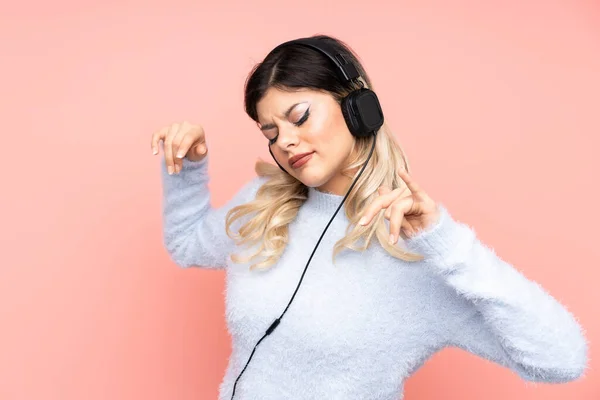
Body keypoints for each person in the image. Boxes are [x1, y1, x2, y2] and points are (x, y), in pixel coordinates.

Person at [151, 35, 588, 400]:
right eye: (271, 132)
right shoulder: (266, 202)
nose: (286, 141)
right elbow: (187, 245)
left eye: (299, 117)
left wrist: (447, 242)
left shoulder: (418, 248)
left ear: (358, 106)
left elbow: (561, 361)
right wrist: (186, 168)